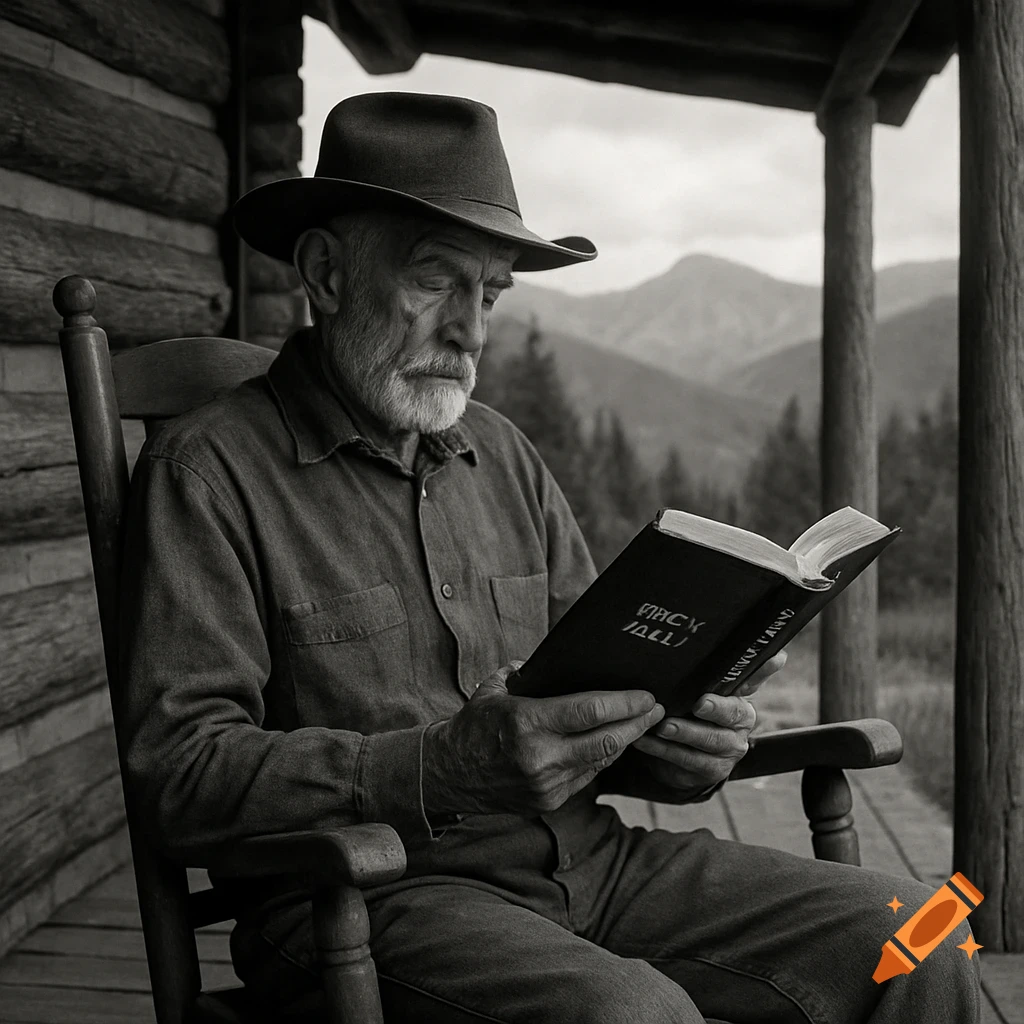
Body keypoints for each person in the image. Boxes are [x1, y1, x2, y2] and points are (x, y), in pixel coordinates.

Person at [119, 92, 981, 1023]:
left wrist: (682, 745)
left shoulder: (504, 457)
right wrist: (436, 768)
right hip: (370, 901)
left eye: (489, 294)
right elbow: (180, 774)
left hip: (591, 864)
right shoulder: (207, 473)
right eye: (436, 283)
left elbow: (583, 708)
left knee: (926, 931)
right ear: (326, 273)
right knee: (635, 1017)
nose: (472, 330)